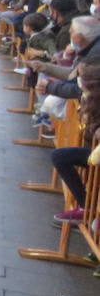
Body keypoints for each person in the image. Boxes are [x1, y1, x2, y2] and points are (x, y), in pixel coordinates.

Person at [49, 59, 100, 224]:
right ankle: (86, 206)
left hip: (96, 155)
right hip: (93, 153)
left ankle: (87, 208)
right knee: (60, 156)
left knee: (61, 157)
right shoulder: (90, 100)